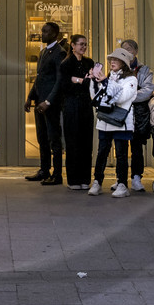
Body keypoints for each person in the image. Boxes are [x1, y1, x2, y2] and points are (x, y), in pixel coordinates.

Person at [89, 49, 139, 198]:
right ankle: (97, 182)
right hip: (105, 120)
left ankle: (122, 184)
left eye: (116, 60)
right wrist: (93, 81)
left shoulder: (131, 80)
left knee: (121, 154)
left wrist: (105, 81)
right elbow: (96, 98)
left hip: (120, 122)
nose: (112, 62)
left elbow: (121, 97)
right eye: (111, 59)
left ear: (124, 63)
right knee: (101, 153)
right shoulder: (109, 77)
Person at [25, 21, 65, 185]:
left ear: (55, 34)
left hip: (51, 104)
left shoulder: (59, 53)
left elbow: (59, 80)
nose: (42, 34)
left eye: (46, 32)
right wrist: (30, 97)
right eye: (42, 31)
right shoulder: (43, 52)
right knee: (41, 138)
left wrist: (48, 101)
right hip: (39, 101)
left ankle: (57, 174)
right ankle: (44, 170)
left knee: (54, 139)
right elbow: (39, 78)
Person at [58, 34, 96, 190]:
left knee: (86, 142)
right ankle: (73, 179)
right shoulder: (66, 63)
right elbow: (65, 85)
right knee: (73, 141)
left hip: (86, 104)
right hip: (72, 105)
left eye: (85, 44)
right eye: (81, 44)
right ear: (72, 45)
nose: (84, 47)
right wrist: (80, 80)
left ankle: (85, 179)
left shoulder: (89, 62)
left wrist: (78, 79)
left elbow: (92, 82)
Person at [121, 39, 154, 192]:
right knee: (120, 147)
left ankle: (136, 177)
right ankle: (120, 179)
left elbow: (147, 91)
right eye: (123, 49)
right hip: (121, 113)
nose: (126, 52)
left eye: (128, 49)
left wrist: (128, 95)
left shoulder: (144, 69)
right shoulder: (117, 68)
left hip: (139, 114)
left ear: (135, 52)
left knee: (137, 147)